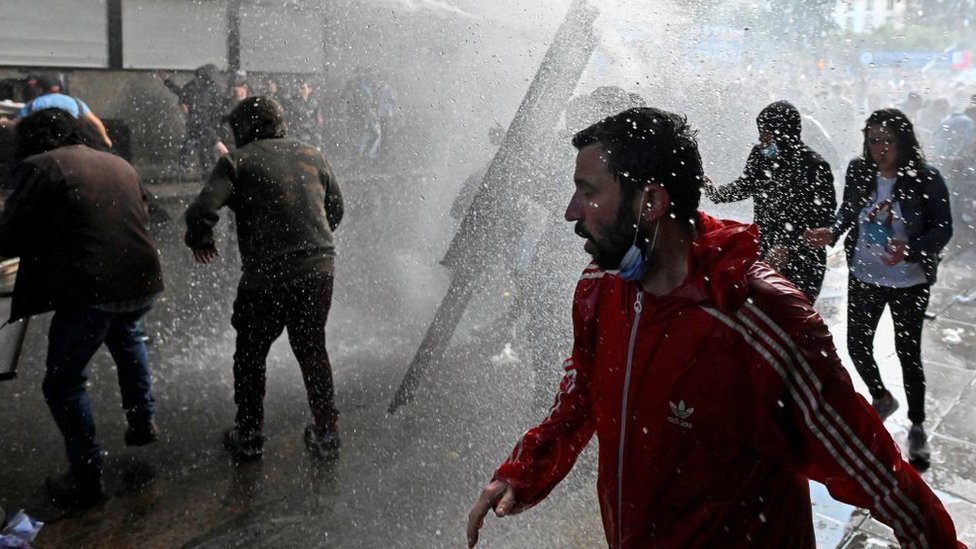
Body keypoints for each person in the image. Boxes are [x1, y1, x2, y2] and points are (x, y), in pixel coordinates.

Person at [467, 107, 961, 548]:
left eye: (588, 191)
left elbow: (869, 465)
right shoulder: (600, 285)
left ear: (651, 201)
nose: (571, 212)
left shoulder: (758, 316)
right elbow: (583, 390)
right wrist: (524, 472)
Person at [0, 109, 164, 509]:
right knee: (127, 335)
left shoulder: (40, 166)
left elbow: (11, 234)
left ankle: (86, 477)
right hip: (141, 278)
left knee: (63, 383)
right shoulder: (117, 162)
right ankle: (141, 418)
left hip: (92, 286)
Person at [184, 96, 344, 461]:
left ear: (242, 128)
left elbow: (202, 209)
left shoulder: (235, 161)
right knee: (312, 349)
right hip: (318, 269)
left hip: (266, 276)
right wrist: (313, 242)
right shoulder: (312, 154)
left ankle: (250, 433)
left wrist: (201, 239)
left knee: (251, 354)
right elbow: (335, 208)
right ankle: (327, 433)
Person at [804, 108, 953, 468]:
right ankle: (881, 397)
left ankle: (916, 425)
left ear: (904, 143)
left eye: (888, 141)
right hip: (865, 275)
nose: (879, 149)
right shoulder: (859, 170)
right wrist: (832, 233)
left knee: (907, 353)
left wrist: (912, 250)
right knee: (856, 345)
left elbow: (943, 229)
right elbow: (848, 210)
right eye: (873, 141)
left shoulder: (926, 178)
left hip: (909, 282)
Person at [705, 100, 836, 302]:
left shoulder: (814, 166)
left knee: (795, 318)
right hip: (766, 249)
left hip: (803, 262)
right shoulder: (760, 156)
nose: (761, 138)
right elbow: (746, 184)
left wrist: (790, 248)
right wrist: (716, 193)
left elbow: (824, 222)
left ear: (783, 133)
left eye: (766, 132)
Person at [0, 74, 113, 149]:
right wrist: (106, 140)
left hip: (45, 147)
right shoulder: (75, 102)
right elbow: (95, 123)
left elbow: (18, 125)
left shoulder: (34, 104)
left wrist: (4, 122)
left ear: (39, 88)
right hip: (75, 145)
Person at [159, 64, 223, 180]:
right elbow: (181, 93)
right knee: (190, 148)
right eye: (198, 75)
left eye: (202, 75)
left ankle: (208, 172)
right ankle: (187, 172)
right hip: (195, 124)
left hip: (206, 125)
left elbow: (218, 108)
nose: (199, 78)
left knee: (205, 149)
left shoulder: (213, 88)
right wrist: (168, 82)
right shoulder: (192, 87)